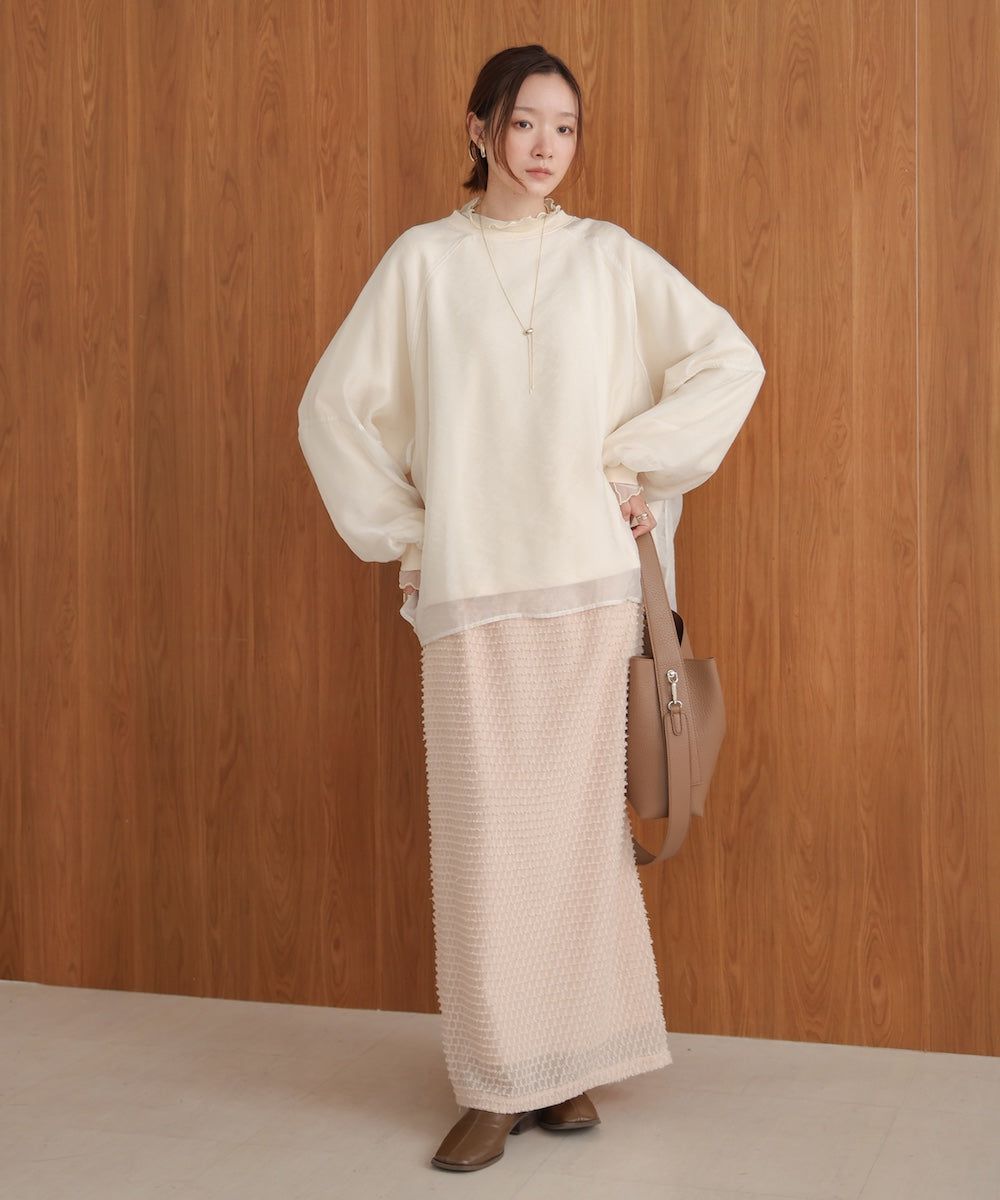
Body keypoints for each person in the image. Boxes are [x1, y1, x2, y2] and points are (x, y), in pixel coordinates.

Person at [297, 44, 766, 1173]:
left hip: (590, 585)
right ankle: (495, 1081)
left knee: (577, 842)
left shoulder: (607, 258)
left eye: (565, 126)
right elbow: (331, 409)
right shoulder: (422, 263)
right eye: (524, 123)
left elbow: (729, 360)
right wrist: (410, 538)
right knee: (485, 844)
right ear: (479, 129)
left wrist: (634, 464)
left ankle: (568, 1069)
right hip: (473, 587)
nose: (546, 146)